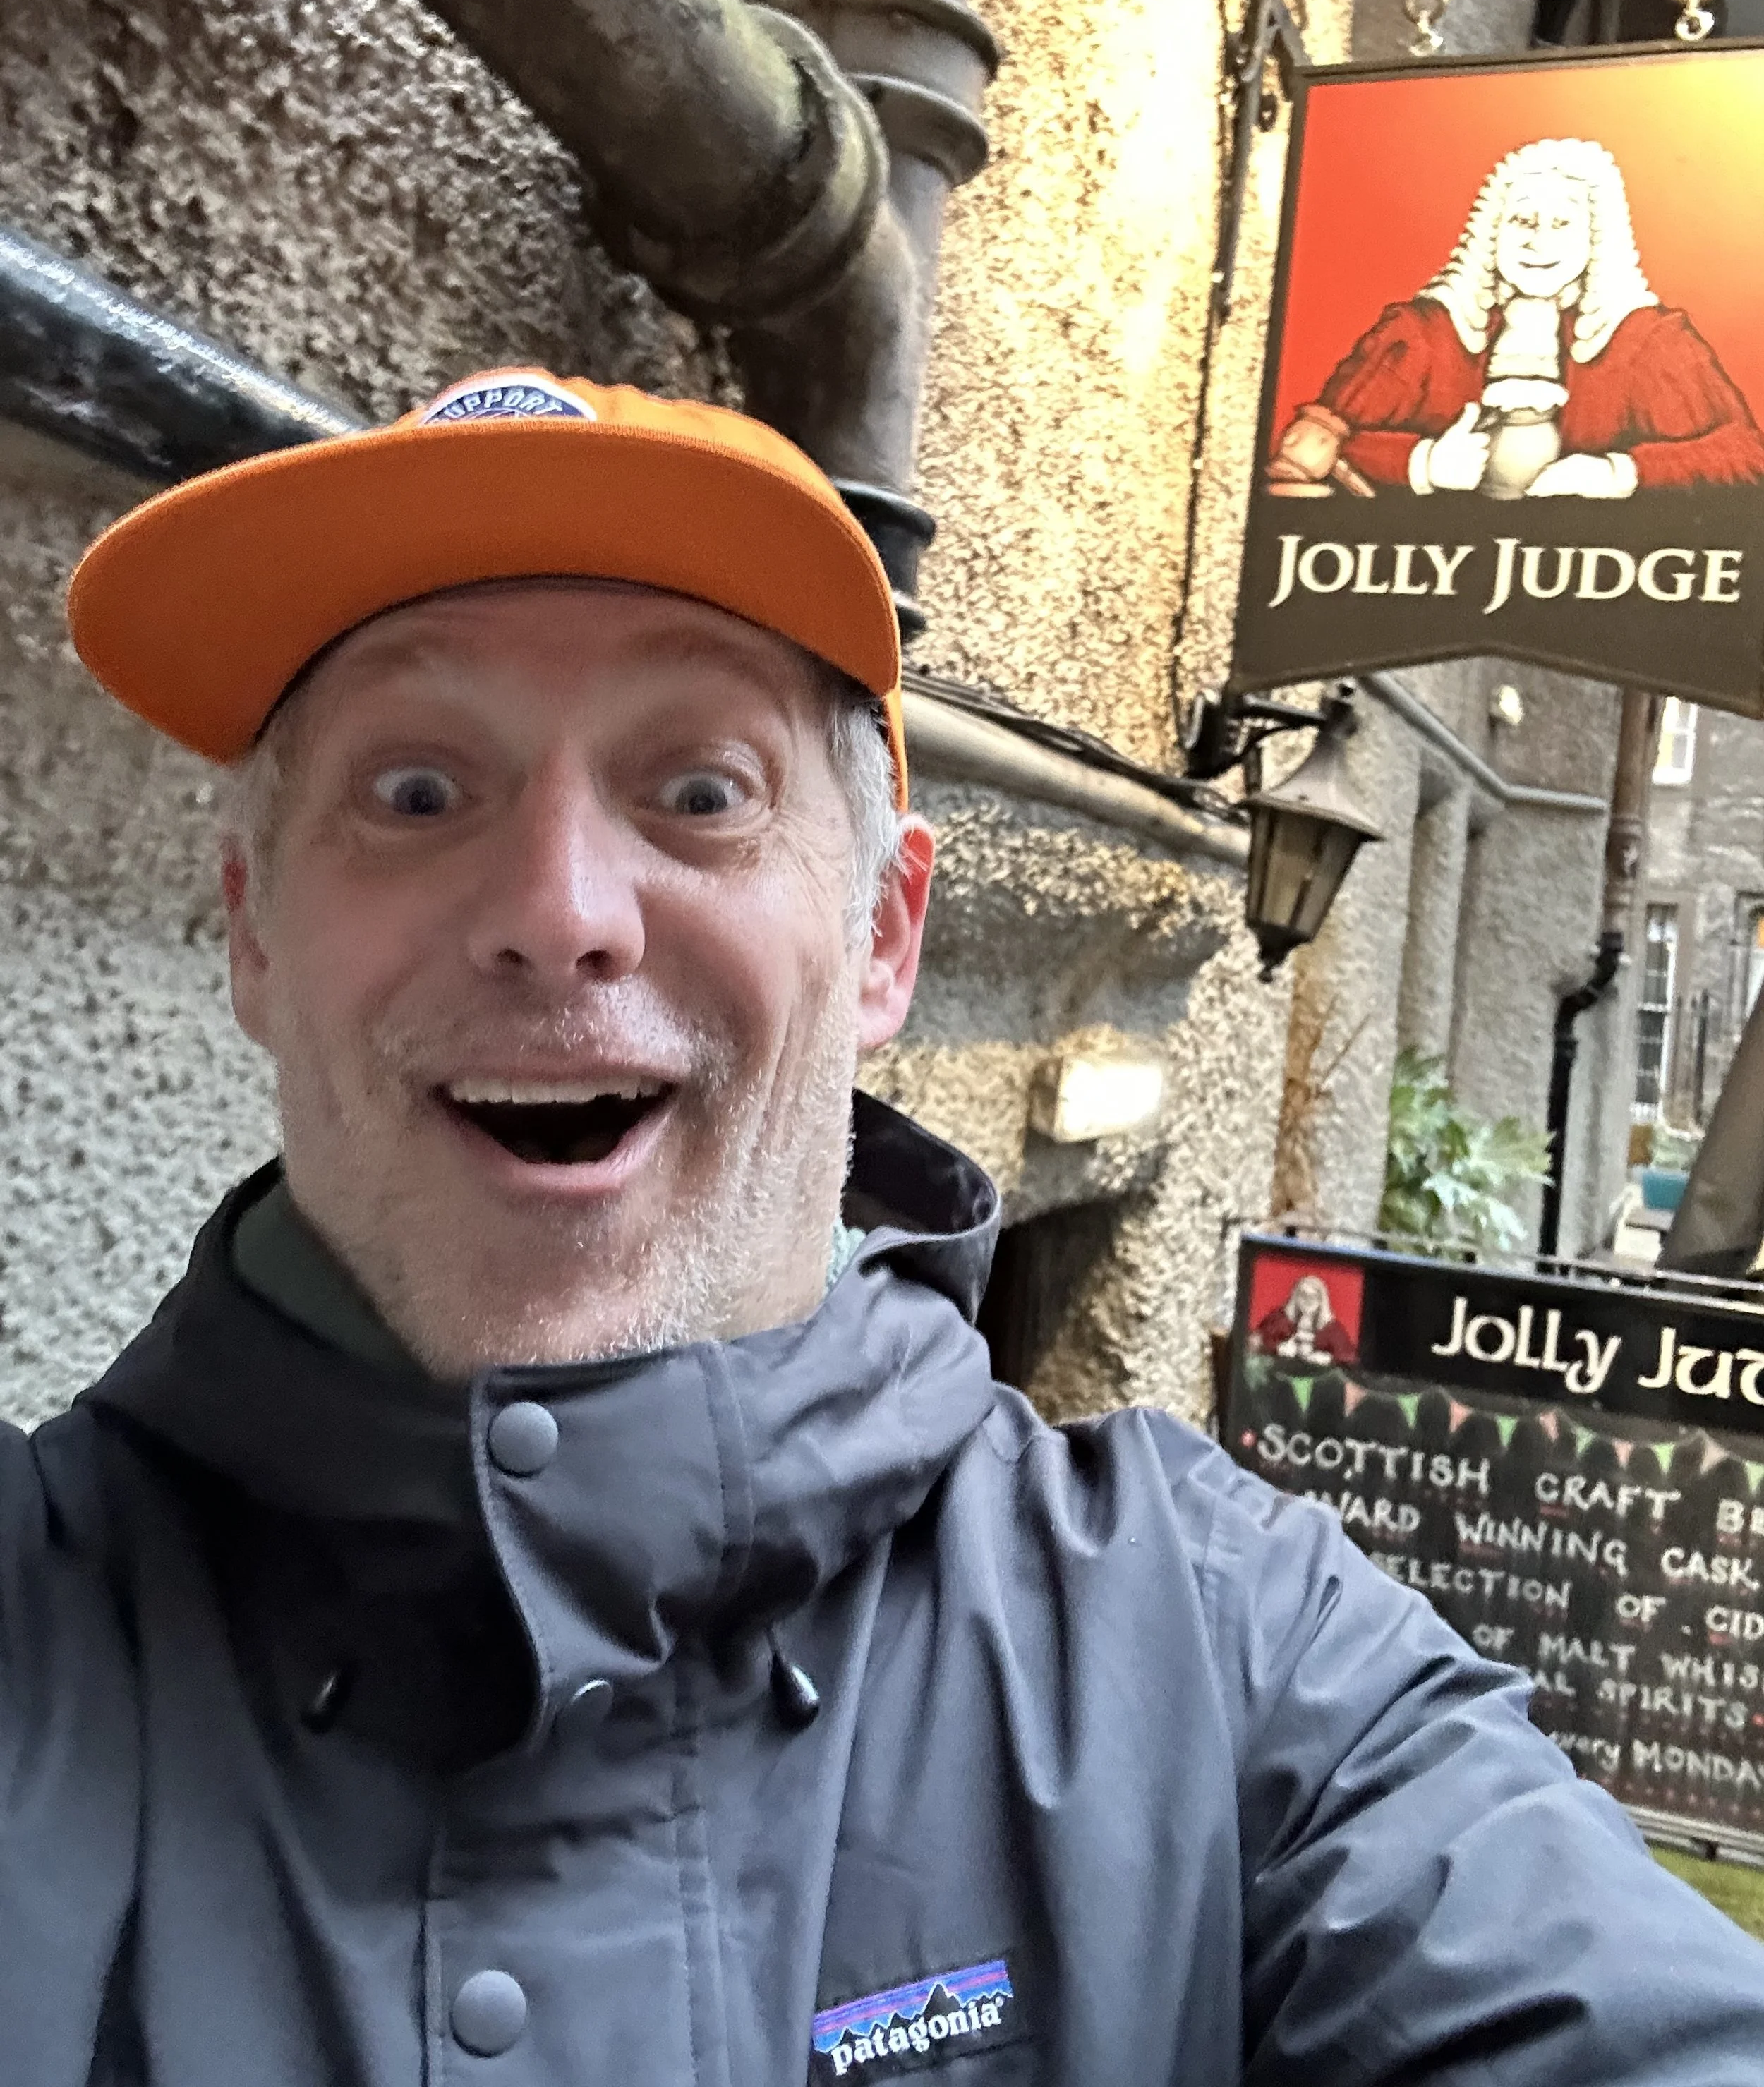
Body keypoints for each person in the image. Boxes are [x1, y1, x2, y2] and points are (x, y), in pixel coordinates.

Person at [9, 364, 1763, 2086]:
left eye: (698, 791)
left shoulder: (1225, 1662)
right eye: (413, 792)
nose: (556, 912)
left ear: (882, 940)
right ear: (251, 931)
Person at [1269, 135, 1764, 500]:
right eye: (1522, 220)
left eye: (1562, 223)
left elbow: (1745, 457)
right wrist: (1423, 464)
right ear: (1492, 230)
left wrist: (1618, 474)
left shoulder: (1649, 344)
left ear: (1597, 239)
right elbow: (1312, 448)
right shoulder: (1422, 333)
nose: (1538, 241)